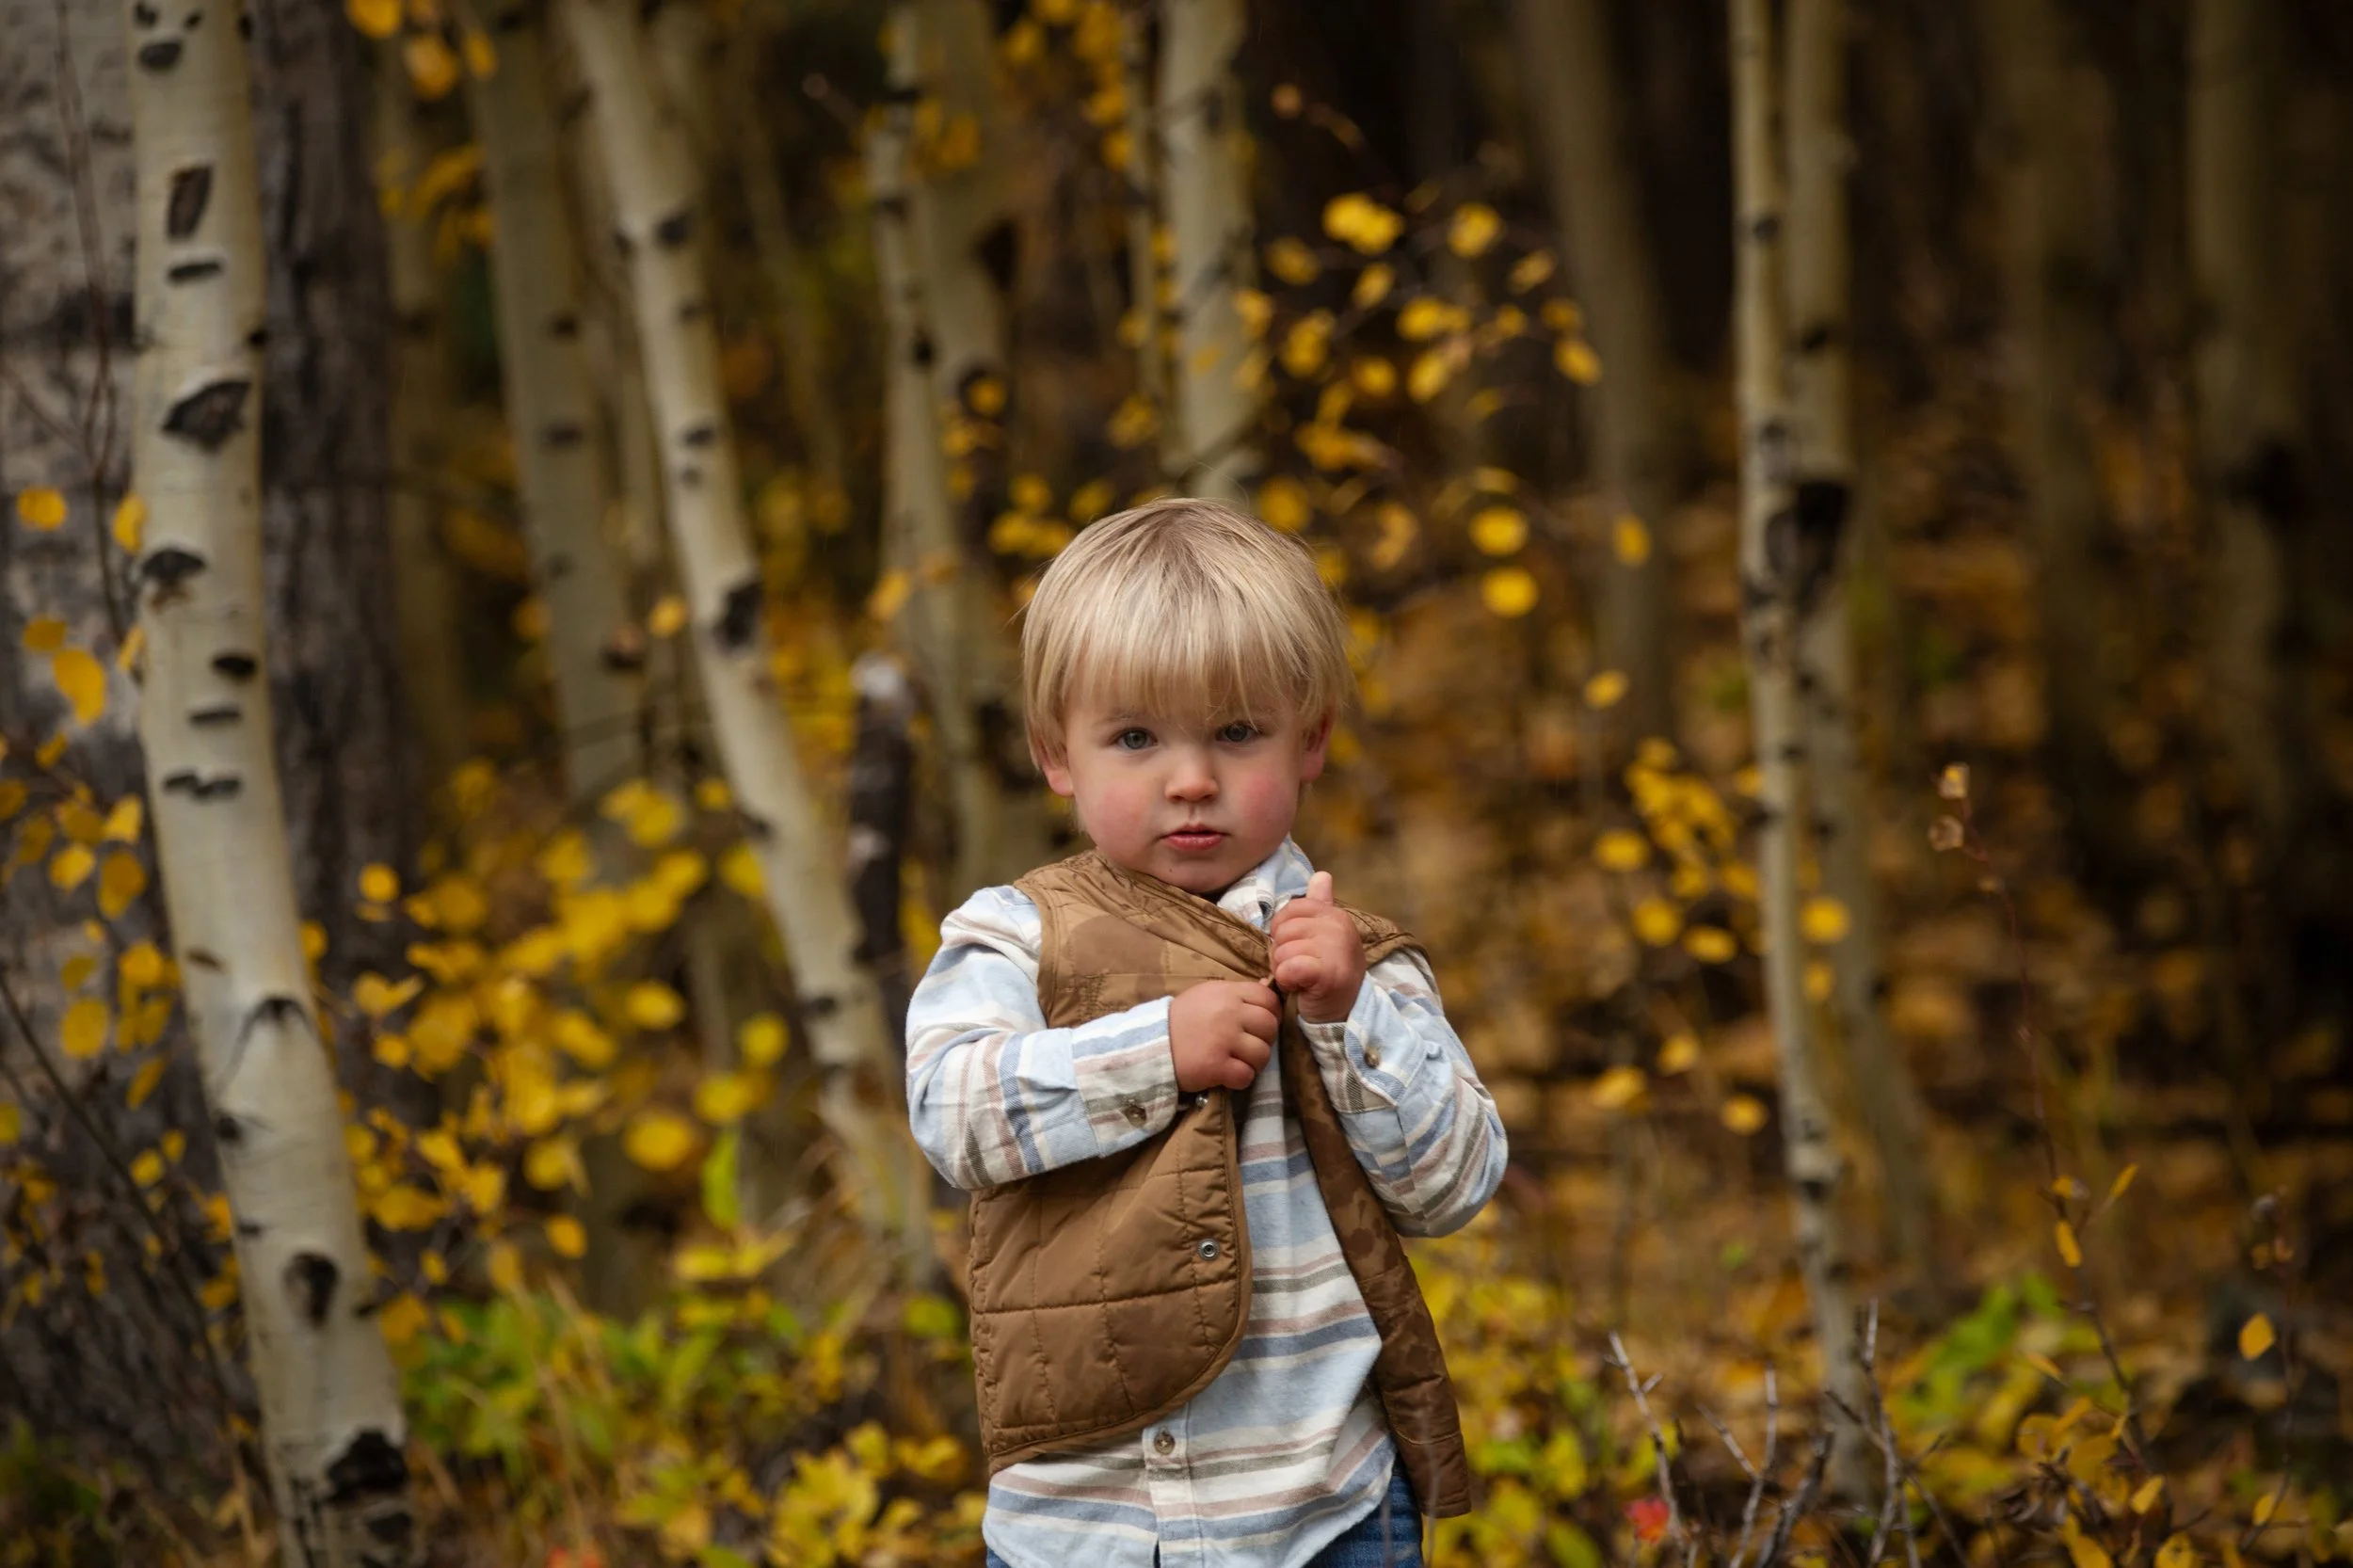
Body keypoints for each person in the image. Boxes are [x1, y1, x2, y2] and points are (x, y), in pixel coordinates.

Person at [905, 497, 1509, 1568]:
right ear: (1057, 753)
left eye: (1235, 732)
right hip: (1084, 1525)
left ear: (1310, 736)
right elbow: (951, 1111)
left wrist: (1345, 1015)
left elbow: (1453, 1183)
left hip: (1327, 1511)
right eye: (1134, 737)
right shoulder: (1016, 935)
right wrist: (1150, 1052)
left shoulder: (1354, 960)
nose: (1190, 778)